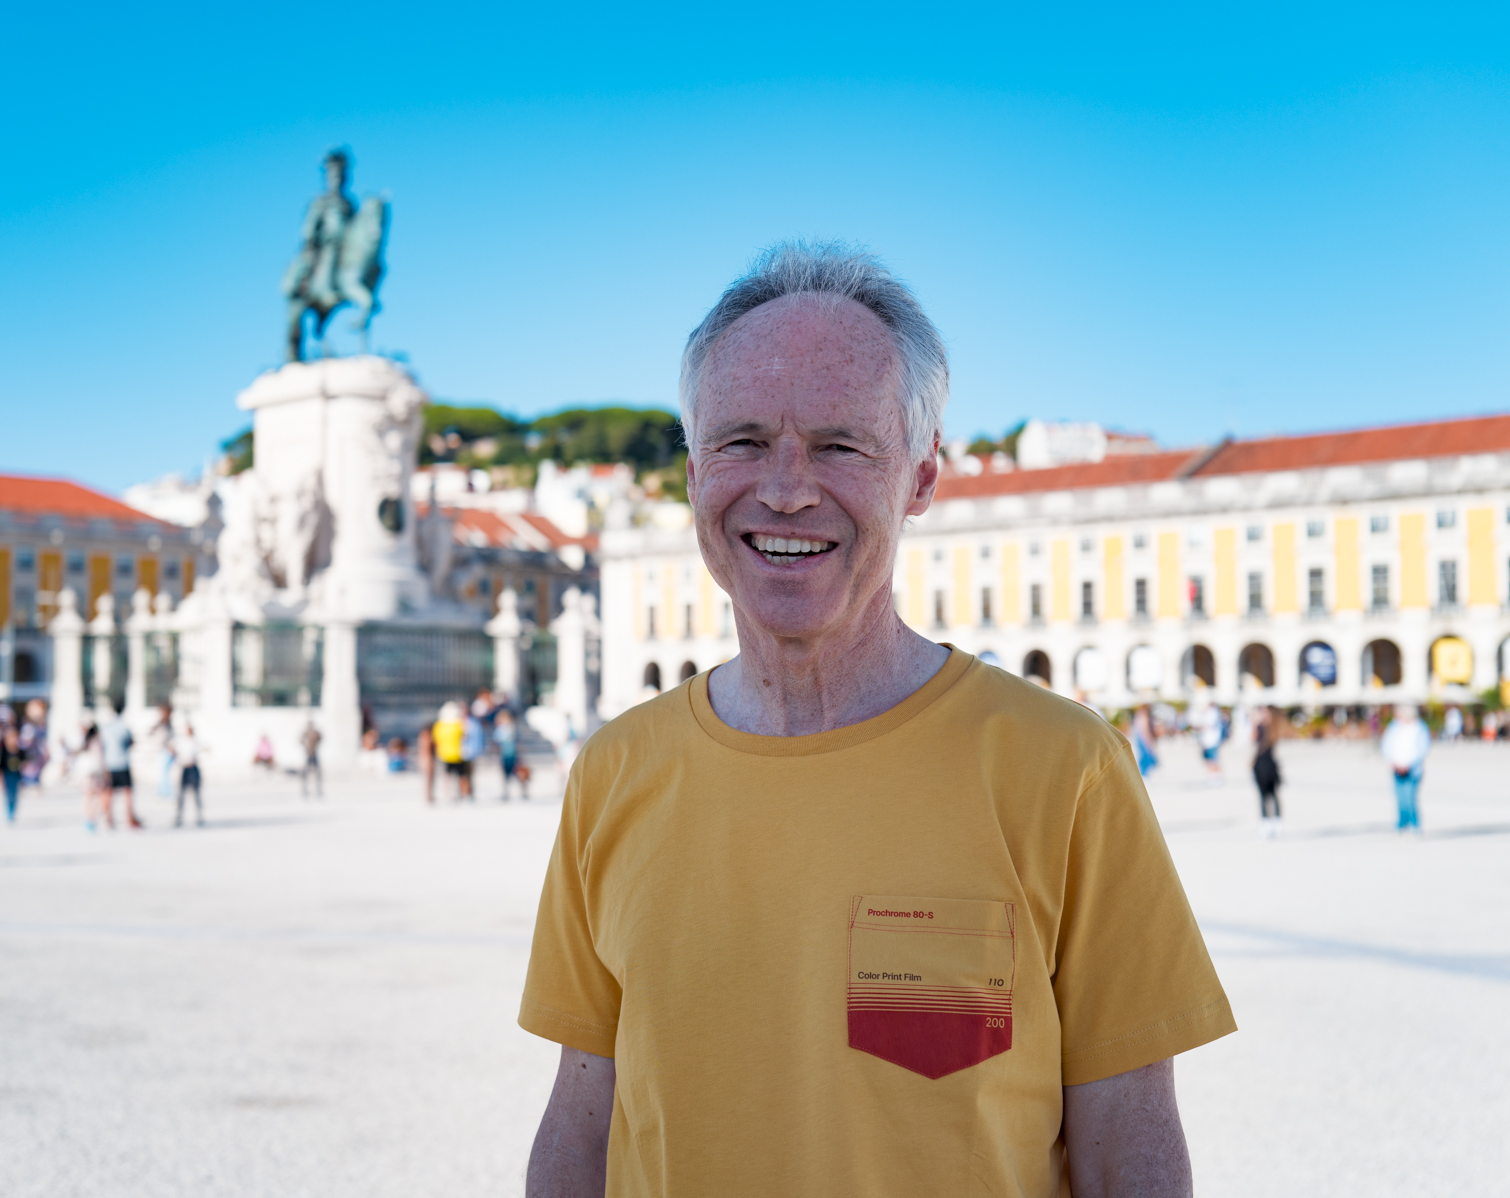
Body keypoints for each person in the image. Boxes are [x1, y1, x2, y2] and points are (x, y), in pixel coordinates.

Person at [521, 244, 1233, 1197]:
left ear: (922, 479)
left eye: (838, 446)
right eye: (740, 441)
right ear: (693, 475)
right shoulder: (612, 772)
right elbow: (582, 1115)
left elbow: (1127, 1146)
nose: (783, 488)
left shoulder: (1065, 768)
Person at [1382, 704, 1431, 833]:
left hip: (1413, 769)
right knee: (1400, 799)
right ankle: (1401, 825)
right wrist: (1393, 762)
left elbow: (1423, 749)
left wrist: (1409, 764)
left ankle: (1415, 825)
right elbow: (1386, 745)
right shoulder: (1394, 726)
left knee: (1410, 798)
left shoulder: (1420, 727)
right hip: (1396, 767)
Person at [100, 701, 141, 829]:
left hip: (109, 763)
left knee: (108, 792)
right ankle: (129, 818)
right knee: (127, 792)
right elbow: (131, 742)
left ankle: (108, 818)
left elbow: (102, 745)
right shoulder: (124, 726)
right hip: (123, 763)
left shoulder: (107, 726)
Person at [1251, 706, 1283, 838]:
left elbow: (1255, 741)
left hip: (1264, 763)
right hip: (1269, 764)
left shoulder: (1268, 729)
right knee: (1270, 795)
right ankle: (1273, 822)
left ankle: (1270, 823)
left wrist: (1255, 724)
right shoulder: (1273, 728)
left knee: (1267, 795)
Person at [431, 702, 469, 801]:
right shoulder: (458, 724)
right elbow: (464, 736)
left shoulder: (439, 725)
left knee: (447, 775)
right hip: (459, 753)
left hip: (445, 754)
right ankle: (464, 794)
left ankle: (447, 794)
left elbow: (436, 739)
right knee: (462, 775)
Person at [172, 721, 204, 827]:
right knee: (180, 795)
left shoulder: (195, 741)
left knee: (196, 794)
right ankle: (178, 817)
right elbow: (170, 747)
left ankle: (198, 816)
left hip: (193, 768)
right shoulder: (180, 741)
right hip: (183, 769)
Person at [493, 709, 527, 800]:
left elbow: (517, 742)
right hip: (504, 755)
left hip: (513, 754)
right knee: (505, 775)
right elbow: (496, 743)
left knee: (517, 773)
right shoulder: (499, 730)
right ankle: (506, 792)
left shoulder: (512, 728)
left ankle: (523, 791)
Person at [0, 724, 27, 823]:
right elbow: (0, 765)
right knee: (8, 794)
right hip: (7, 776)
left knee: (15, 795)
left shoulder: (19, 750)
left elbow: (25, 760)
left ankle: (13, 812)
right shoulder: (3, 751)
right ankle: (9, 812)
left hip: (16, 776)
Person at [300, 720, 323, 798]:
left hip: (314, 753)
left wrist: (316, 745)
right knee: (306, 772)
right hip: (309, 753)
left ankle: (318, 789)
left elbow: (320, 738)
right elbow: (301, 740)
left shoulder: (315, 733)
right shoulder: (306, 733)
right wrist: (305, 747)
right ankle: (305, 789)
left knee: (317, 772)